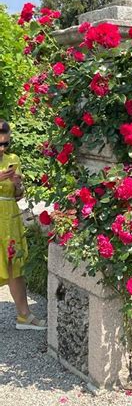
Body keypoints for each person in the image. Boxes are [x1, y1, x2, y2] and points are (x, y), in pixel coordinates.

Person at [0, 119, 46, 330]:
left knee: (14, 266)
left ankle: (24, 316)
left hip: (9, 219)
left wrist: (18, 186)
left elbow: (18, 196)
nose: (2, 148)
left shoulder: (13, 159)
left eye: (5, 144)